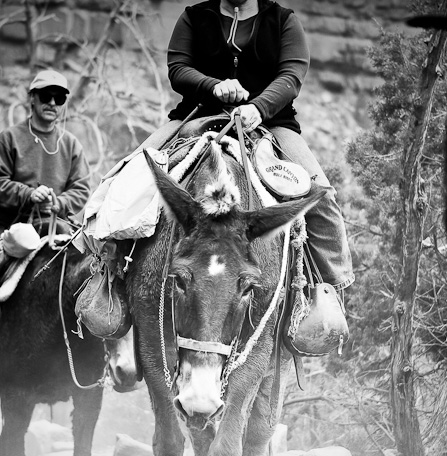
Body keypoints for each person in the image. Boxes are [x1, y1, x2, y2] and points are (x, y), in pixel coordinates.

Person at [83, 0, 353, 353]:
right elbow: (178, 67)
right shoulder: (195, 17)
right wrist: (214, 86)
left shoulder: (283, 21)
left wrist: (258, 106)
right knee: (126, 177)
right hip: (195, 117)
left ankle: (327, 296)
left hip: (271, 123)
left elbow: (291, 76)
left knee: (321, 195)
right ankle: (110, 281)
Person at [0, 69, 92, 361]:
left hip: (58, 229)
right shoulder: (9, 139)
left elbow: (81, 188)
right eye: (45, 96)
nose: (52, 103)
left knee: (94, 275)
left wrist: (60, 202)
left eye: (59, 97)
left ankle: (93, 363)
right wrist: (28, 194)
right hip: (11, 226)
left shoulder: (71, 145)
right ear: (31, 99)